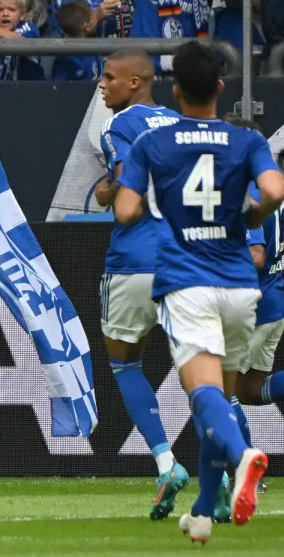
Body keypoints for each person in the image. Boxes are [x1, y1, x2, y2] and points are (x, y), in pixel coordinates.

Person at [113, 41, 283, 543]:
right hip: (240, 285)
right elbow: (275, 191)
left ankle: (243, 456)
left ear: (176, 91)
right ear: (221, 88)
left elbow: (124, 210)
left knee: (204, 395)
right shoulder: (246, 138)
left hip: (188, 282)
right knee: (221, 398)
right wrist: (250, 215)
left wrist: (154, 201)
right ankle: (205, 511)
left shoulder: (153, 142)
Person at [90, 49, 188, 518]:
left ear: (135, 82)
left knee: (125, 365)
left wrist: (108, 189)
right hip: (185, 262)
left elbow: (126, 192)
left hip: (134, 261)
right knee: (202, 371)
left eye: (109, 77)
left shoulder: (120, 125)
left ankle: (166, 463)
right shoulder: (182, 124)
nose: (101, 84)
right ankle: (226, 468)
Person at [235, 143, 284, 436]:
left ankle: (244, 462)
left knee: (216, 392)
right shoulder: (276, 196)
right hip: (273, 304)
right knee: (249, 391)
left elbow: (255, 257)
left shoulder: (250, 191)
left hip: (251, 309)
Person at [50, 0, 100, 82]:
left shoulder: (93, 50)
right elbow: (57, 88)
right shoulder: (64, 61)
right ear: (86, 25)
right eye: (93, 16)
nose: (97, 18)